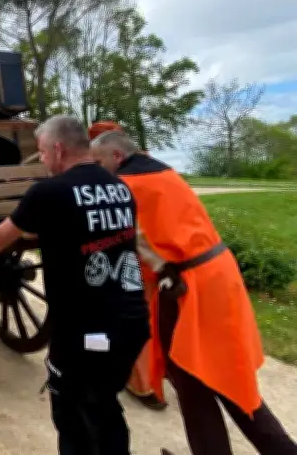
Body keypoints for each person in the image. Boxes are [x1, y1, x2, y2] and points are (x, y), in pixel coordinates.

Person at [0, 115, 150, 455]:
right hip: (131, 324)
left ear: (58, 149)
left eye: (41, 153)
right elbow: (81, 229)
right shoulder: (120, 187)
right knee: (104, 408)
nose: (40, 160)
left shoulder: (50, 191)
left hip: (85, 333)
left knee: (73, 418)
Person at [90, 131, 297, 455]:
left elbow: (128, 237)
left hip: (191, 282)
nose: (97, 168)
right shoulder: (164, 172)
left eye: (99, 161)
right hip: (214, 272)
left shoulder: (127, 185)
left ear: (116, 156)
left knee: (201, 373)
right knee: (213, 371)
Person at [87, 121, 167, 411]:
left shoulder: (119, 182)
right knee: (159, 317)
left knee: (135, 318)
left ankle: (145, 385)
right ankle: (163, 373)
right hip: (170, 256)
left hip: (143, 257)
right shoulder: (157, 167)